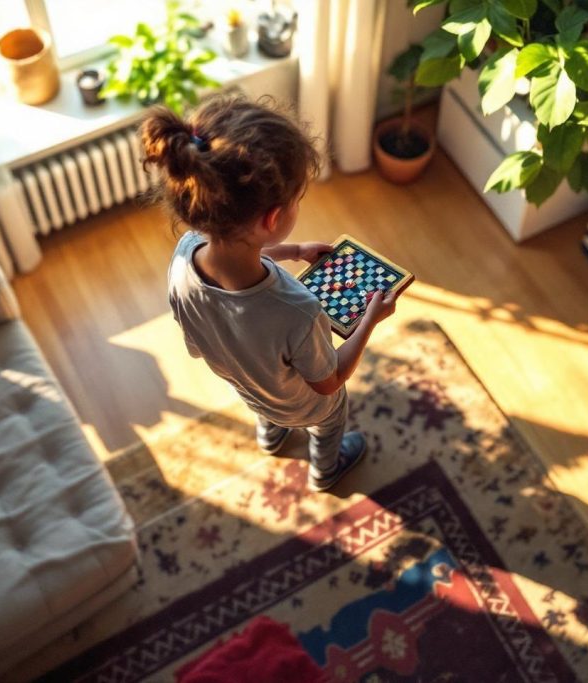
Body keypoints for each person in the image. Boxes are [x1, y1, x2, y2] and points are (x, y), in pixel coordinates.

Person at [141, 94, 398, 492]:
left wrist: (292, 252)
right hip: (305, 403)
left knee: (263, 392)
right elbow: (329, 382)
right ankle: (326, 470)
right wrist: (369, 319)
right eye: (297, 200)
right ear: (274, 218)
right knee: (329, 420)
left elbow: (235, 256)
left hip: (249, 387)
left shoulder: (184, 254)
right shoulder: (298, 311)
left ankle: (271, 436)